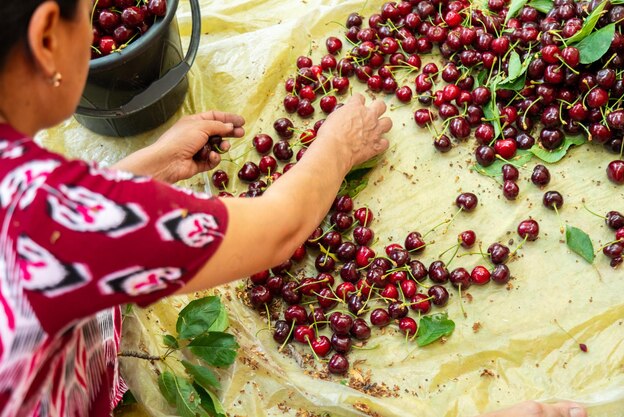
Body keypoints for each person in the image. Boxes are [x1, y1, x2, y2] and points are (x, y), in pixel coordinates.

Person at [0, 1, 588, 416]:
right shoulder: (59, 219)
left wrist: (144, 168)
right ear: (49, 32)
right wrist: (335, 147)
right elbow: (279, 232)